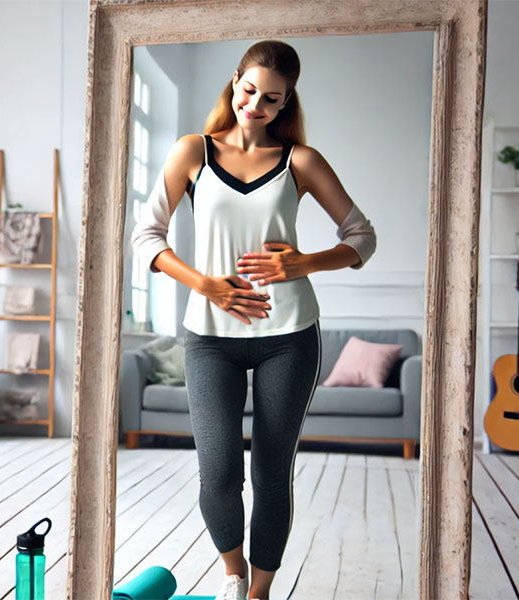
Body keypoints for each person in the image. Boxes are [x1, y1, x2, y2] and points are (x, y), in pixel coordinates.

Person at [130, 40, 377, 600]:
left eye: (272, 99)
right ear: (234, 79)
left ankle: (261, 593)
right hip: (210, 337)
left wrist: (303, 263)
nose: (256, 105)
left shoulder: (301, 161)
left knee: (270, 474)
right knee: (217, 472)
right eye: (249, 90)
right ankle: (232, 575)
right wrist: (206, 284)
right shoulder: (192, 151)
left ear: (287, 101)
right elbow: (146, 236)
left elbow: (363, 237)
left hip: (289, 338)